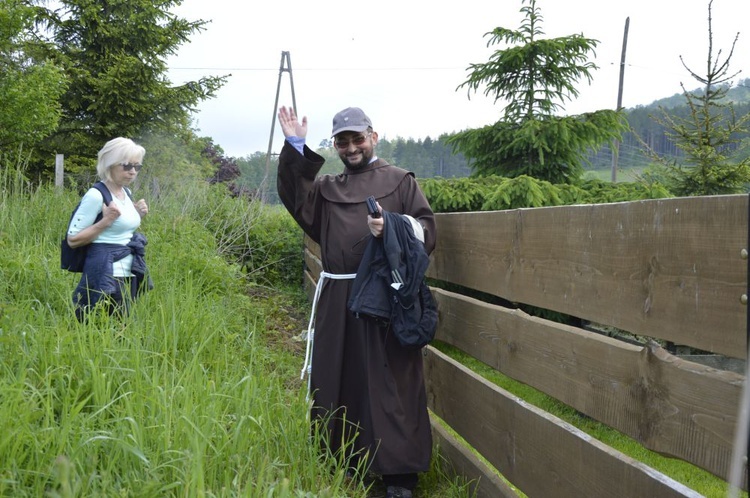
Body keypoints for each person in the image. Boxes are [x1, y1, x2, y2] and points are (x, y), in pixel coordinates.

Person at [277, 106, 436, 498]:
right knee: (340, 373)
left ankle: (398, 476)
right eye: (342, 141)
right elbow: (295, 198)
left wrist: (392, 226)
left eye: (357, 139)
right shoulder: (328, 189)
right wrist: (295, 146)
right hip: (339, 297)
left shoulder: (400, 182)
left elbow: (428, 230)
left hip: (386, 295)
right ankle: (345, 457)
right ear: (334, 145)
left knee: (390, 380)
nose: (351, 147)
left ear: (373, 137)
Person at [67, 137, 151, 320]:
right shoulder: (96, 195)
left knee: (118, 328)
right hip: (106, 271)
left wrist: (137, 214)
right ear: (110, 164)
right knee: (96, 325)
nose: (132, 172)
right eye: (127, 166)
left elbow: (120, 230)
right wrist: (105, 221)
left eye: (137, 167)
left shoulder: (125, 192)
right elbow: (73, 240)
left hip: (126, 271)